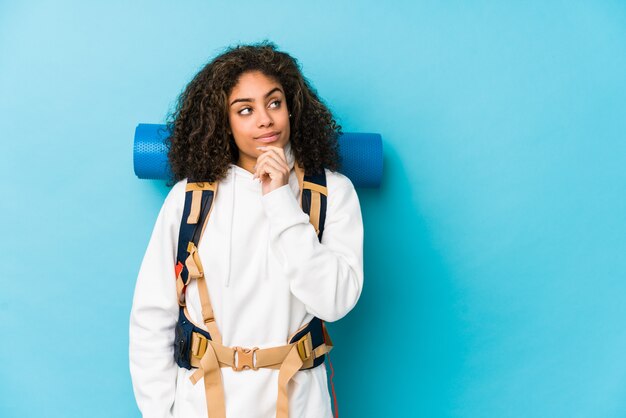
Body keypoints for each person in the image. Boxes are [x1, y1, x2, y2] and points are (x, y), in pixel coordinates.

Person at [129, 42, 364, 418]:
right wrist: (159, 413)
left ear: (292, 108)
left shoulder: (333, 192)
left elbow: (334, 302)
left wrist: (280, 200)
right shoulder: (187, 199)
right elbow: (151, 316)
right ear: (224, 121)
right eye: (245, 110)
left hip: (299, 403)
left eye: (274, 103)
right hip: (202, 405)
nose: (265, 120)